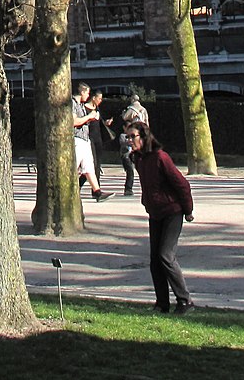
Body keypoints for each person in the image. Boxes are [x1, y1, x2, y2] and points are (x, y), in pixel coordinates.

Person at [125, 120, 194, 312]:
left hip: (172, 211)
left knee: (166, 256)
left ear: (144, 136)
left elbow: (182, 184)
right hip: (155, 212)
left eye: (133, 136)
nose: (129, 140)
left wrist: (188, 210)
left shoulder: (160, 157)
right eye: (127, 137)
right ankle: (162, 303)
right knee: (155, 260)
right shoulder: (137, 158)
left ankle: (185, 301)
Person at [72, 82, 113, 201]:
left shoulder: (80, 104)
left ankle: (97, 192)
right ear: (82, 92)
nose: (88, 95)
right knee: (74, 167)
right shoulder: (73, 103)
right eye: (88, 93)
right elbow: (74, 122)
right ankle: (69, 191)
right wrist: (89, 117)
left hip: (85, 139)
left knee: (90, 167)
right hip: (77, 139)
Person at [118, 91, 150, 196]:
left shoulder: (131, 109)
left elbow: (124, 117)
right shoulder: (144, 110)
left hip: (133, 137)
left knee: (130, 167)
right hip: (141, 137)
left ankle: (128, 188)